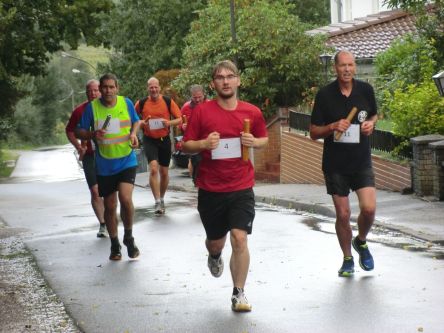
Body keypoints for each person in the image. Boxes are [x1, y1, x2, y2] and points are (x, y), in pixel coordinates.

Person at [182, 60, 268, 312]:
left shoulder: (251, 112)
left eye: (230, 76)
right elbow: (186, 145)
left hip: (241, 186)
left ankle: (238, 292)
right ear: (213, 83)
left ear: (238, 80)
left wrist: (254, 141)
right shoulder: (202, 112)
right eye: (220, 77)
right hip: (211, 189)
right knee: (216, 242)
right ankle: (214, 255)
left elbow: (264, 138)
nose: (226, 81)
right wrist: (203, 144)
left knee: (240, 238)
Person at [309, 50, 378, 277]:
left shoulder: (365, 90)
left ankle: (361, 241)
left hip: (361, 161)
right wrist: (331, 127)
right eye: (342, 66)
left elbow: (374, 115)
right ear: (335, 68)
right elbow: (313, 132)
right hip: (335, 164)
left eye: (350, 65)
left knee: (369, 209)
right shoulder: (325, 95)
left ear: (355, 67)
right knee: (344, 214)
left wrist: (370, 124)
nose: (347, 69)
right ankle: (348, 258)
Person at [76, 73, 142, 261]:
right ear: (100, 89)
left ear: (117, 88)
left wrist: (133, 134)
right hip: (104, 163)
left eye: (111, 87)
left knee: (126, 198)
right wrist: (91, 134)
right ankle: (115, 244)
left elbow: (136, 120)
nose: (108, 91)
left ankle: (128, 236)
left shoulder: (126, 103)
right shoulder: (92, 108)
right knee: (110, 205)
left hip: (126, 159)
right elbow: (78, 130)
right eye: (104, 87)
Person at [65, 79, 106, 238]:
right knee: (95, 192)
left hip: (108, 154)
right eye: (89, 91)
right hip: (89, 156)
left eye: (95, 90)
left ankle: (110, 217)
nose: (93, 94)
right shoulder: (79, 111)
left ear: (101, 91)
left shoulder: (108, 107)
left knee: (108, 192)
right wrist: (78, 146)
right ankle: (103, 223)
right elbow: (69, 131)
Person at [135, 77, 182, 215]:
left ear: (159, 88)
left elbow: (179, 118)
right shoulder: (142, 103)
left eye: (156, 87)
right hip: (149, 139)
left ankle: (161, 198)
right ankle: (156, 201)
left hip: (164, 139)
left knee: (164, 172)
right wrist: (142, 122)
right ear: (147, 88)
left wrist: (168, 123)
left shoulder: (167, 101)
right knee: (154, 168)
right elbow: (132, 118)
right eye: (151, 87)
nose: (153, 89)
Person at [180, 84, 207, 183]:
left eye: (200, 97)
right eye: (195, 98)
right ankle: (196, 182)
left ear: (204, 95)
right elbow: (181, 123)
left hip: (206, 139)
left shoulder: (209, 105)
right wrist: (182, 127)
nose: (198, 100)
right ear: (191, 96)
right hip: (193, 141)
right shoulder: (186, 108)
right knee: (197, 162)